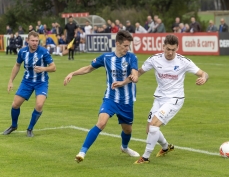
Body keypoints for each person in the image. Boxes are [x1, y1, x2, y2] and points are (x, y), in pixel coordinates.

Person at [63, 30, 140, 163]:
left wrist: (129, 79)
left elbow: (135, 75)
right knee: (101, 122)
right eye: (125, 46)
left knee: (127, 130)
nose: (127, 49)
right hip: (110, 98)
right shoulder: (106, 58)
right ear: (117, 43)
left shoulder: (131, 57)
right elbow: (88, 68)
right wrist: (73, 73)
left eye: (128, 46)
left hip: (127, 101)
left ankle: (125, 147)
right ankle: (82, 152)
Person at [133, 34, 209, 164]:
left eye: (173, 50)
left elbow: (203, 72)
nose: (170, 52)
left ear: (177, 48)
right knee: (149, 130)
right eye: (168, 49)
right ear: (163, 47)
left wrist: (204, 78)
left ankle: (145, 157)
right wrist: (135, 76)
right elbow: (139, 71)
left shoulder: (183, 61)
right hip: (159, 98)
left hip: (175, 99)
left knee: (154, 127)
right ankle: (166, 147)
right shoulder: (154, 59)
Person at [3, 31, 56, 137]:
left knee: (39, 105)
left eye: (36, 41)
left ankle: (30, 129)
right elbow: (17, 65)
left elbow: (53, 67)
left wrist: (43, 68)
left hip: (41, 82)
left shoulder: (44, 52)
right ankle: (13, 126)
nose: (35, 43)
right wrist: (10, 81)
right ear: (27, 41)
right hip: (27, 81)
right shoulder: (22, 52)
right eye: (32, 40)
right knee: (15, 104)